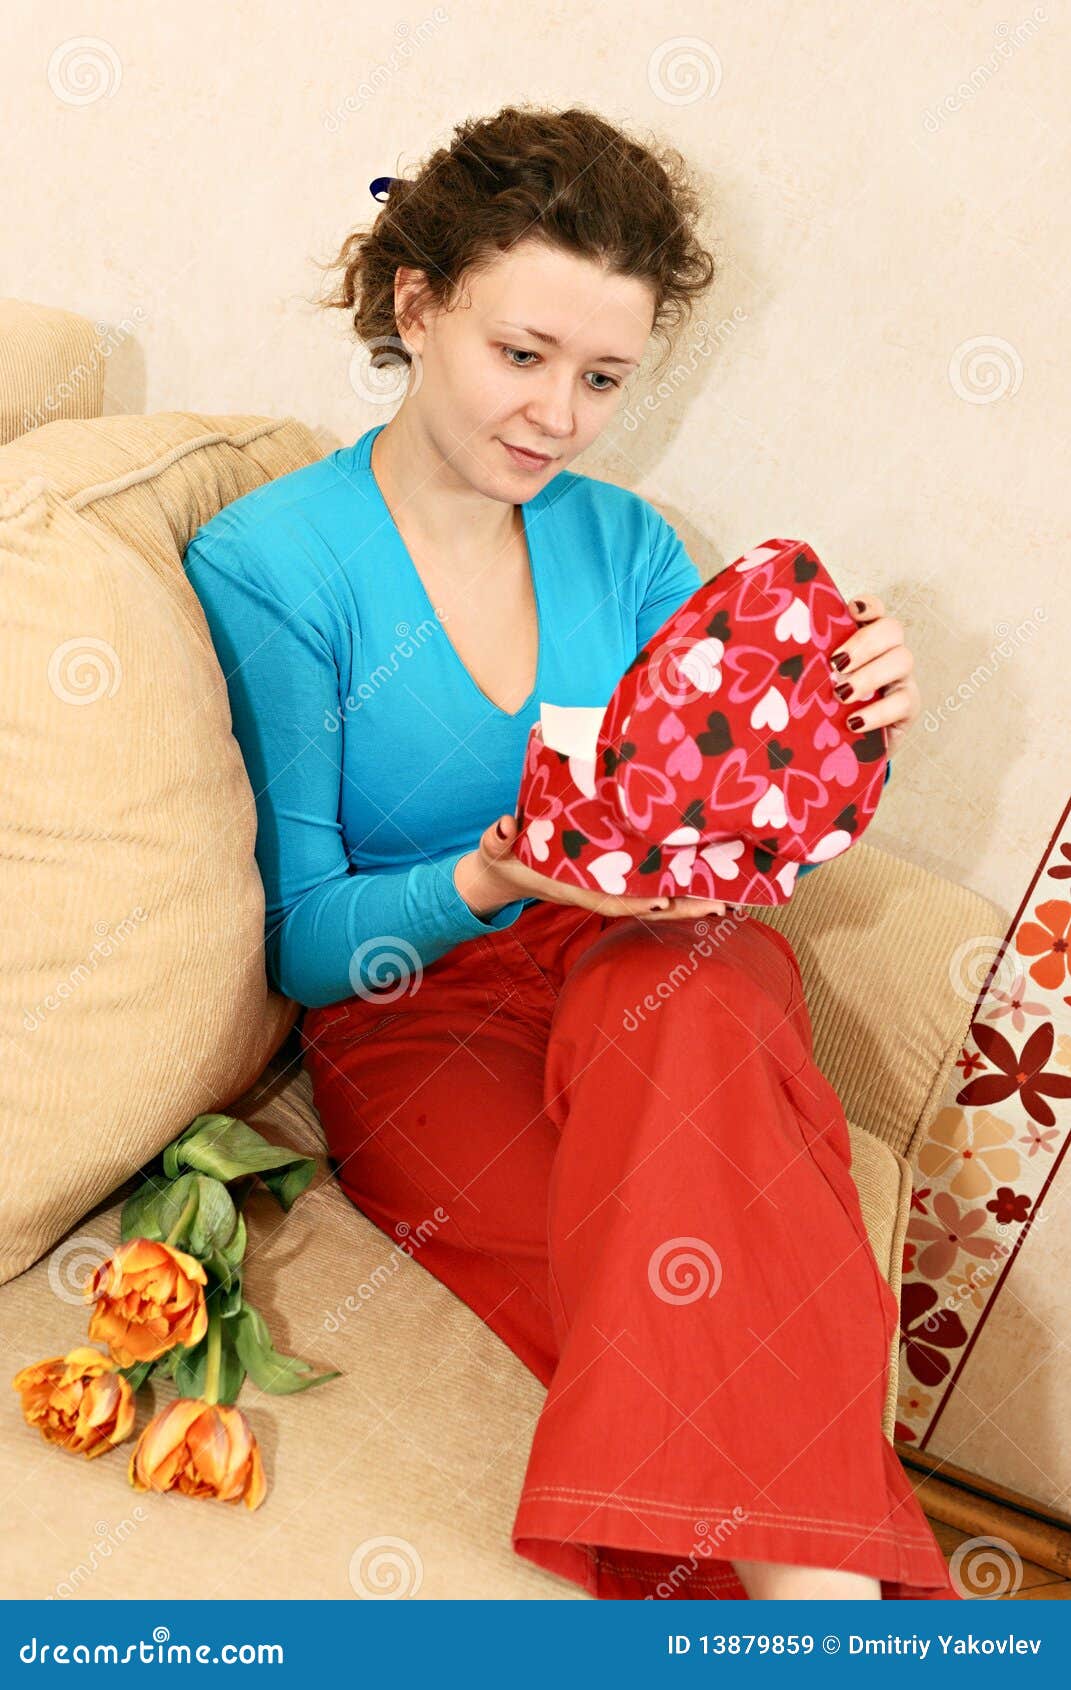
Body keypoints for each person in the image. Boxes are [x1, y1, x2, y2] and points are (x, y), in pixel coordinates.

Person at [183, 104, 955, 1602]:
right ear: (417, 305)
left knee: (701, 993)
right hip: (423, 1014)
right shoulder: (276, 561)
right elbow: (309, 938)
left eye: (601, 377)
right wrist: (488, 879)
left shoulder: (632, 545)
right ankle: (841, 1619)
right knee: (677, 1289)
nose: (556, 414)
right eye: (521, 355)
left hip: (653, 967)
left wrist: (841, 718)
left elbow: (725, 829)